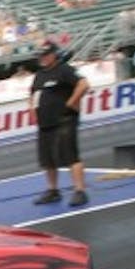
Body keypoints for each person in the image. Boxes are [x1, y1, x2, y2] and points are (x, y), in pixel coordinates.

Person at [30, 41, 90, 207]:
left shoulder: (64, 70)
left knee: (70, 155)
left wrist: (71, 102)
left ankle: (80, 190)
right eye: (40, 56)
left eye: (45, 55)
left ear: (53, 55)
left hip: (64, 120)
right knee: (47, 159)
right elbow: (34, 94)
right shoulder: (39, 75)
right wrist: (33, 111)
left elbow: (84, 84)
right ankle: (53, 190)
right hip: (45, 122)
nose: (42, 59)